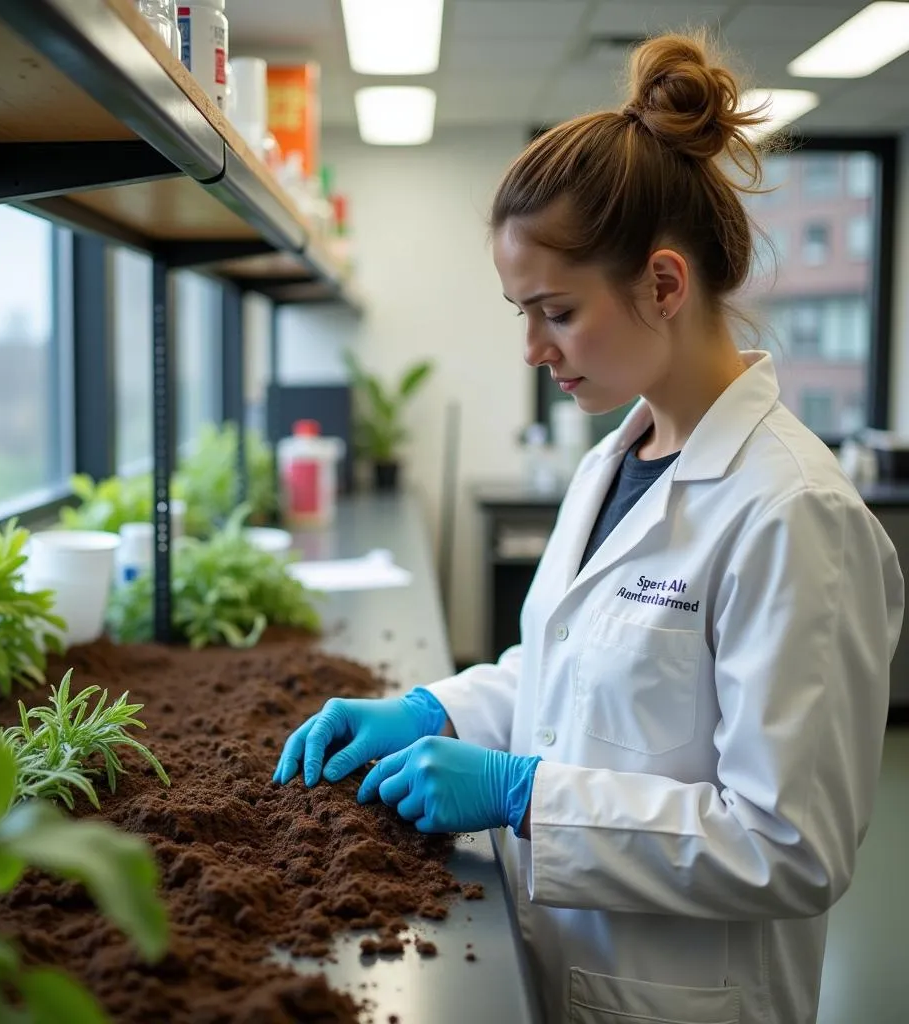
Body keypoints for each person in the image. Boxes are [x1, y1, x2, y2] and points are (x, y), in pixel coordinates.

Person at [273, 32, 905, 1024]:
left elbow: (791, 845)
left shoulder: (794, 517)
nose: (532, 348)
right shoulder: (614, 461)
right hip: (565, 964)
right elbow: (564, 676)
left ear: (662, 284)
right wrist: (437, 710)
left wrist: (527, 793)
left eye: (555, 312)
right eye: (520, 311)